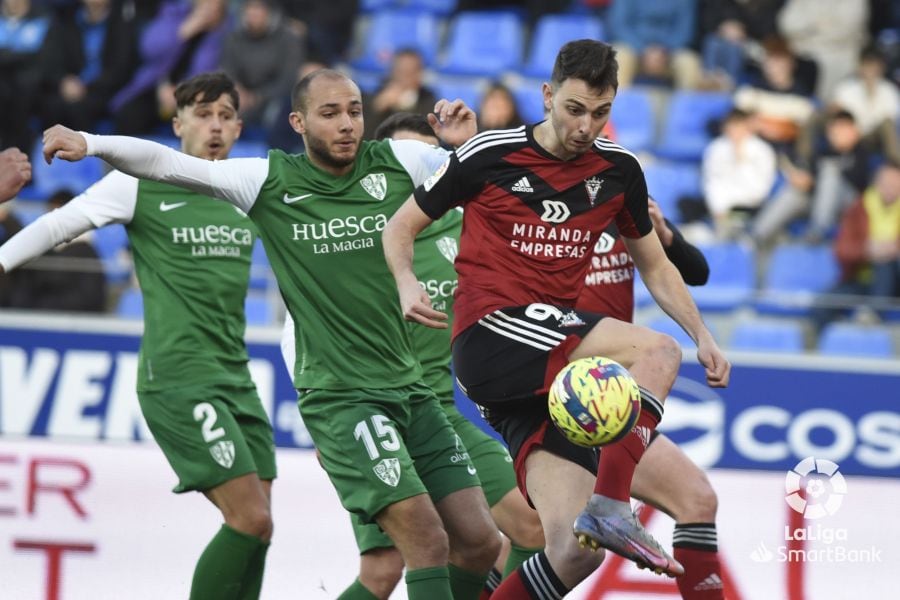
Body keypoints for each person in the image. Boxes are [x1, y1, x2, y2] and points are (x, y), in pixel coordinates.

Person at [40, 69, 501, 600]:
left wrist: (468, 144)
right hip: (345, 399)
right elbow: (165, 163)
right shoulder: (265, 181)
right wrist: (92, 143)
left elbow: (488, 176)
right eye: (330, 114)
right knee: (423, 540)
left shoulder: (399, 161)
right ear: (298, 123)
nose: (348, 124)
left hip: (413, 392)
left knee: (480, 543)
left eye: (354, 110)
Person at [383, 39, 730, 597]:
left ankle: (601, 514)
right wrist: (406, 282)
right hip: (492, 331)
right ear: (547, 96)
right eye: (574, 109)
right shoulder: (487, 153)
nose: (585, 125)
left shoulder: (619, 171)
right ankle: (614, 505)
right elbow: (399, 226)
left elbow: (660, 266)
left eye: (600, 112)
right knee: (658, 352)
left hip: (544, 376)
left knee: (571, 552)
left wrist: (704, 335)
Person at [5, 72, 276, 599]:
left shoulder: (250, 186)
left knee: (261, 528)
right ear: (177, 125)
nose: (214, 126)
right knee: (249, 518)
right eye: (202, 114)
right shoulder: (139, 183)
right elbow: (60, 225)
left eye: (224, 116)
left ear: (241, 127)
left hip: (237, 378)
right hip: (179, 378)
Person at [279, 111, 544, 599]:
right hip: (365, 409)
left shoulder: (463, 230)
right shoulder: (352, 242)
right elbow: (299, 333)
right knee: (385, 569)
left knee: (524, 531)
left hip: (437, 411)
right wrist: (323, 422)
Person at [577, 200, 728, 600]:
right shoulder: (543, 212)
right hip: (564, 392)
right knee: (528, 541)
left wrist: (666, 235)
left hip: (613, 401)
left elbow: (697, 272)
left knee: (696, 498)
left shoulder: (622, 204)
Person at [811, 162, 900, 332]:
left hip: (894, 280)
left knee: (885, 262)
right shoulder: (858, 207)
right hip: (860, 277)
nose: (891, 188)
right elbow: (842, 249)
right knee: (823, 304)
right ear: (877, 183)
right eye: (887, 183)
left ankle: (874, 314)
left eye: (896, 184)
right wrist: (867, 250)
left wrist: (894, 248)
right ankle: (822, 348)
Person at [4, 189, 107, 312]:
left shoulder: (83, 250)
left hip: (73, 320)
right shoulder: (65, 249)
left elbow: (51, 276)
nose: (50, 219)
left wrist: (8, 220)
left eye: (54, 213)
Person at [701, 108, 777, 239]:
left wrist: (741, 159)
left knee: (736, 220)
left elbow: (761, 189)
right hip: (720, 207)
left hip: (750, 205)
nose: (734, 130)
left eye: (738, 125)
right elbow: (711, 181)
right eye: (731, 125)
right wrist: (719, 208)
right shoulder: (715, 149)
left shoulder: (763, 151)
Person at [365, 48, 438, 138]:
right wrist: (378, 108)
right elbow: (363, 138)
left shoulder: (429, 102)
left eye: (410, 72)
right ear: (392, 72)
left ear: (420, 74)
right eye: (400, 72)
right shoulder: (375, 97)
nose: (404, 78)